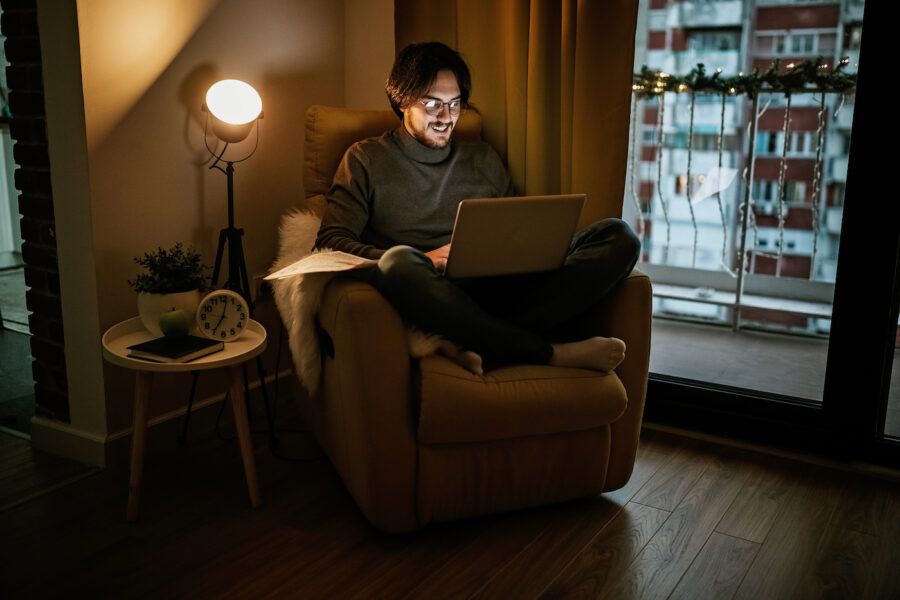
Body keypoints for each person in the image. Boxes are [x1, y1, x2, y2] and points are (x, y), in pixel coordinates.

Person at [315, 41, 640, 372]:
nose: (446, 117)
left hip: (496, 288)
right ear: (402, 101)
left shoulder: (482, 157)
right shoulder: (365, 159)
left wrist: (533, 252)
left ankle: (472, 340)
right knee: (398, 261)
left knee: (619, 236)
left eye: (455, 104)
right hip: (426, 291)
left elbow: (516, 231)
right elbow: (329, 242)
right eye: (433, 104)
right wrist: (424, 259)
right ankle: (546, 353)